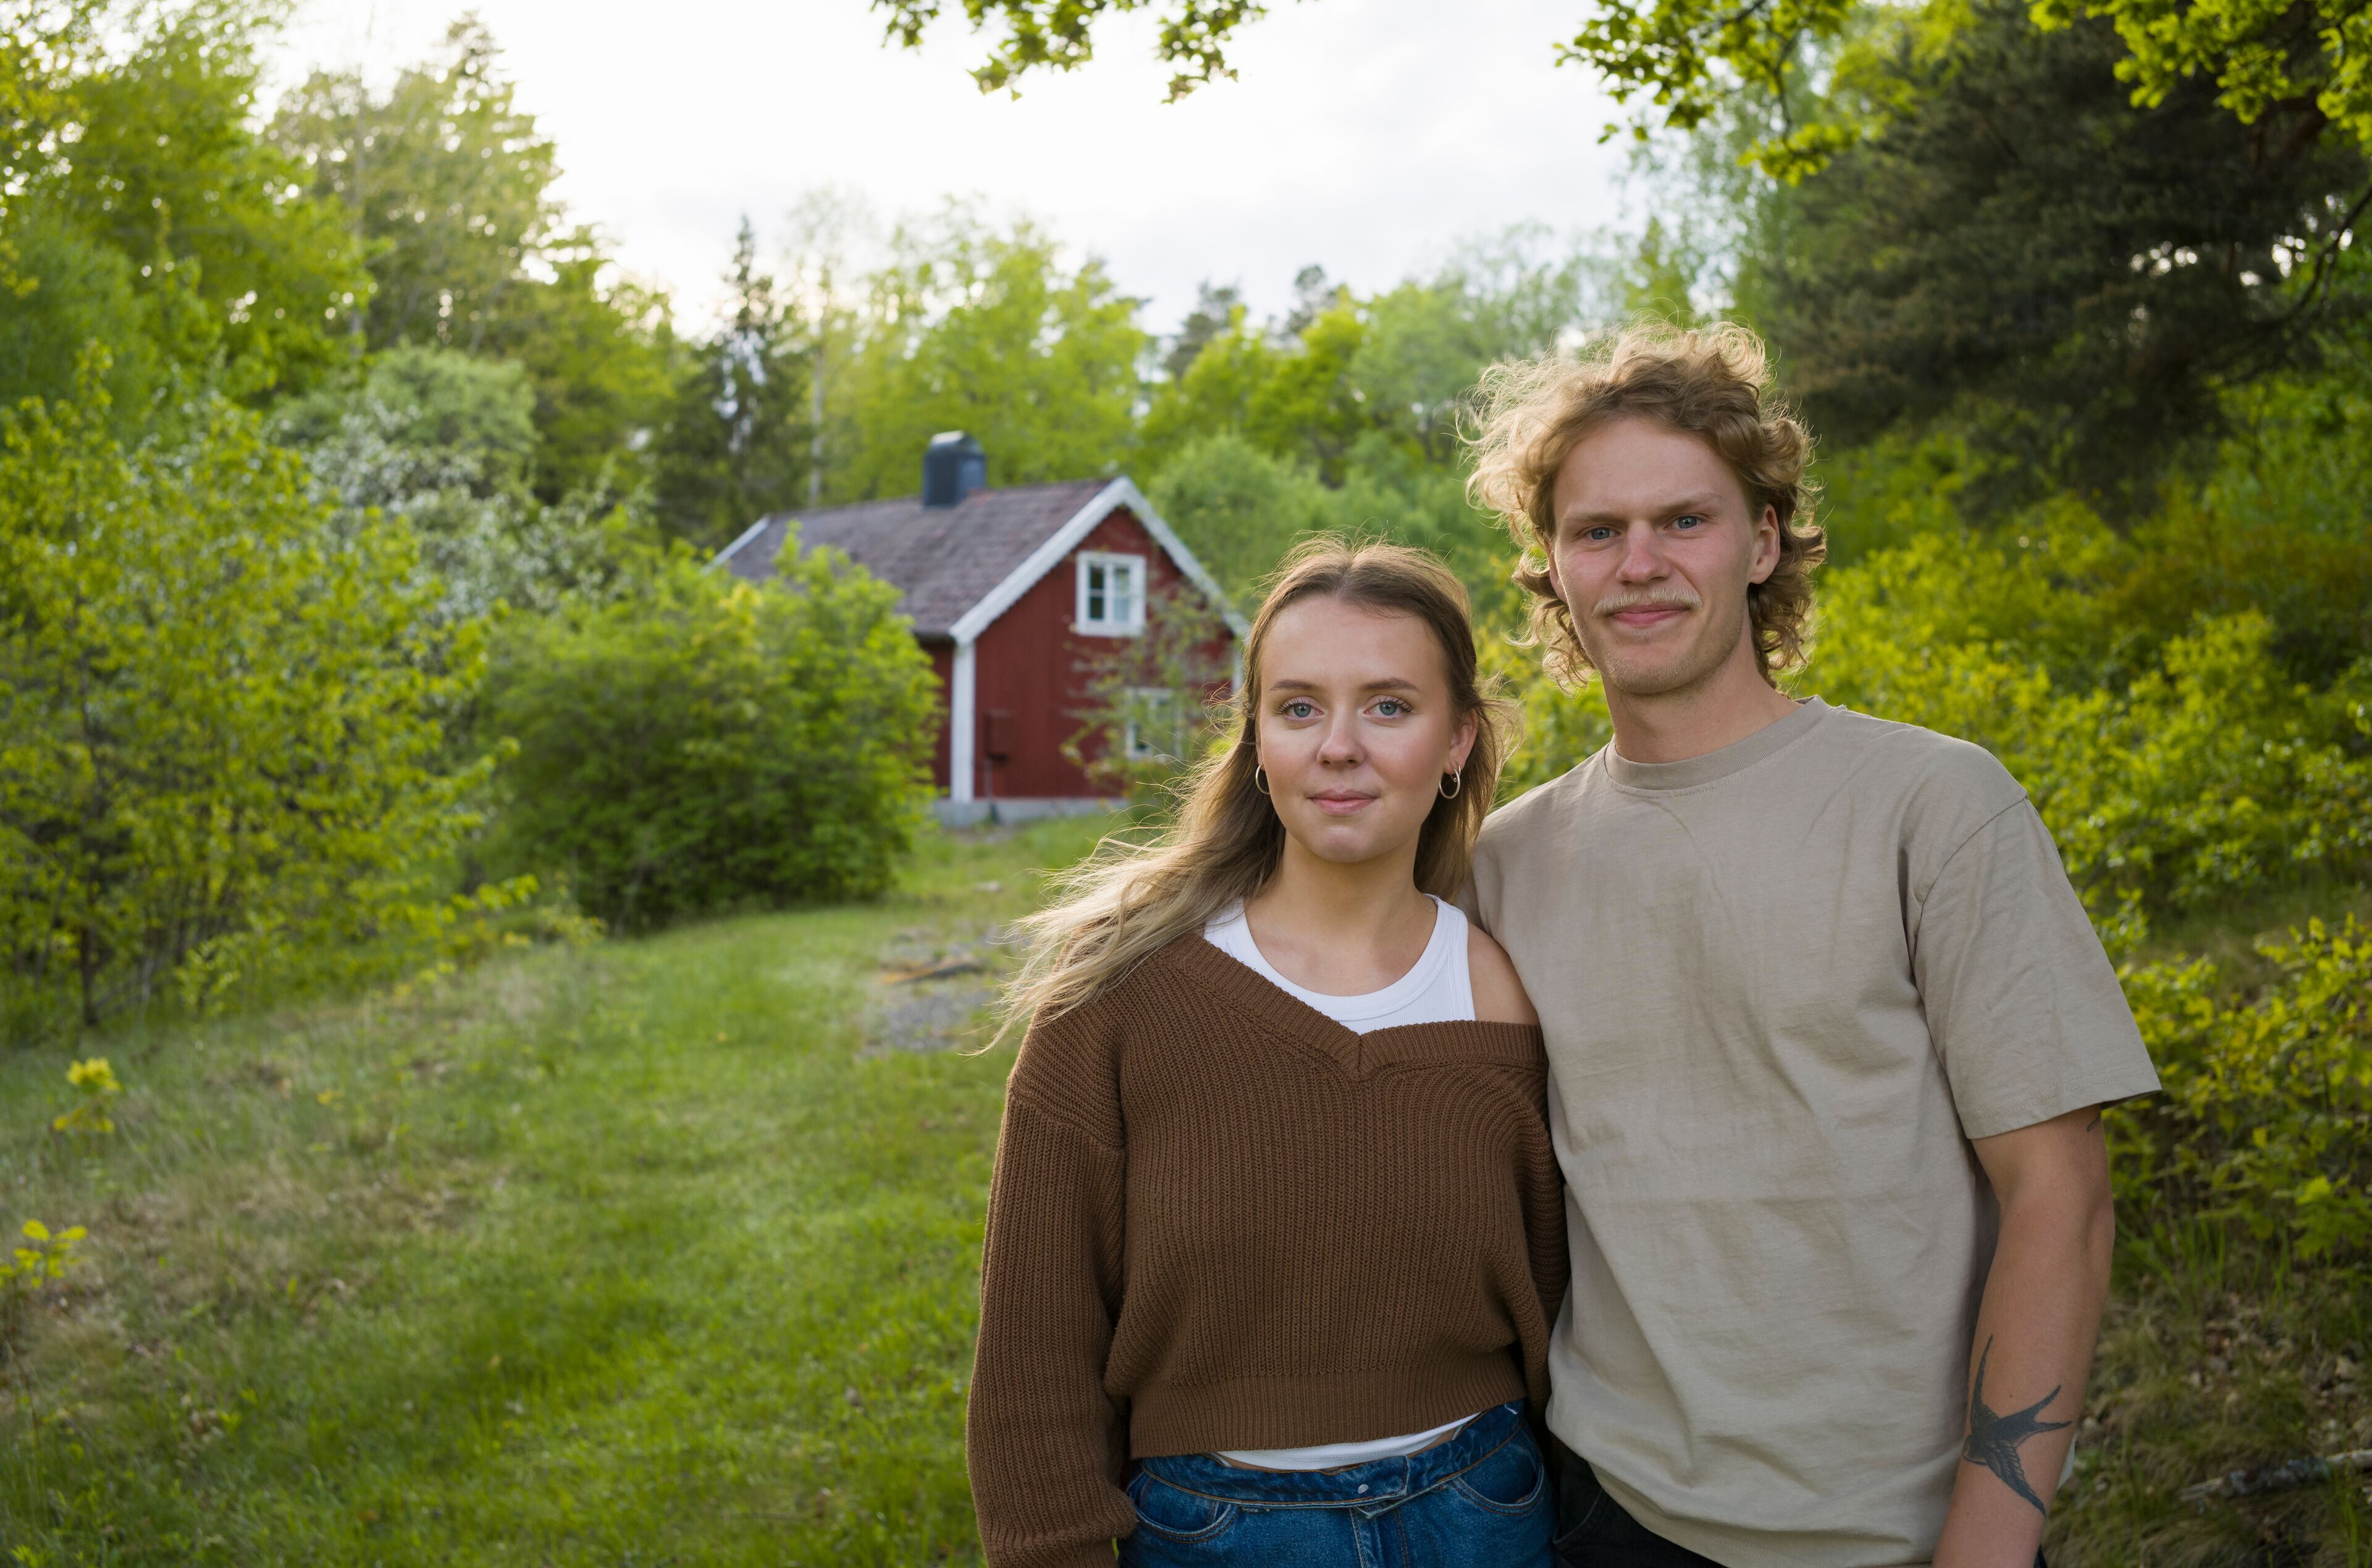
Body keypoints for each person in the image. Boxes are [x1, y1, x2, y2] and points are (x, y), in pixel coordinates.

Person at [1460, 324, 2161, 1568]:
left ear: (1764, 541)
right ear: (1552, 569)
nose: (1640, 564)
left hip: (1905, 1534)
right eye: (1596, 530)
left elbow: (2062, 1198)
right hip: (1611, 1517)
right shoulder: (1504, 864)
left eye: (1686, 520)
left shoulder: (1933, 805)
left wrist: (1989, 1541)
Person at [965, 540, 1567, 1568]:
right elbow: (1037, 1338)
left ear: (1458, 739)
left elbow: (1564, 1303)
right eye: (1298, 708)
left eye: (1389, 707)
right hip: (1215, 1529)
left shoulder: (1508, 991)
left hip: (1484, 1512)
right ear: (1256, 741)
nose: (1339, 747)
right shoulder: (1125, 988)